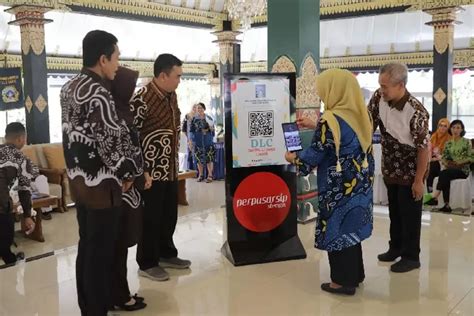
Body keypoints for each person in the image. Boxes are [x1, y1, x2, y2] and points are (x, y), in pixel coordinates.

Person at [61, 30, 142, 315]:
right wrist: (129, 174)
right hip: (103, 187)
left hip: (79, 182)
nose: (118, 64)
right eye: (116, 57)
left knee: (87, 248)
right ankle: (96, 309)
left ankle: (90, 304)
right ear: (103, 58)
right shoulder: (99, 93)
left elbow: (69, 136)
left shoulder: (68, 88)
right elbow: (109, 144)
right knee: (101, 253)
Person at [285, 69, 374, 296]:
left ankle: (342, 282)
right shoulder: (361, 115)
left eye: (324, 91)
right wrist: (317, 126)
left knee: (337, 230)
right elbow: (345, 139)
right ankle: (356, 275)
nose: (322, 96)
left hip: (338, 187)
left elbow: (311, 158)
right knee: (352, 228)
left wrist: (293, 158)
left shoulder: (330, 119)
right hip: (359, 184)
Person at [131, 53, 191, 282]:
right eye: (177, 76)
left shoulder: (171, 95)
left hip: (171, 169)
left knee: (169, 215)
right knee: (150, 218)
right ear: (163, 75)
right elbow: (131, 136)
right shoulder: (142, 98)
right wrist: (141, 169)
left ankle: (167, 253)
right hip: (151, 173)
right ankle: (147, 263)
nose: (179, 80)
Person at [368, 63, 430, 273]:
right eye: (380, 85)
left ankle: (411, 257)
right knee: (394, 211)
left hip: (412, 170)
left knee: (410, 215)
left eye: (385, 86)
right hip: (390, 167)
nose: (381, 90)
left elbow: (424, 150)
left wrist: (419, 180)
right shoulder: (379, 98)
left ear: (401, 85)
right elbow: (369, 124)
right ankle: (395, 248)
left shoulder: (417, 111)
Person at [108, 66, 147, 311]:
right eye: (130, 88)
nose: (133, 93)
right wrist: (135, 174)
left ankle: (120, 291)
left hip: (126, 189)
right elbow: (124, 152)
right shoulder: (115, 115)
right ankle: (119, 296)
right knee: (116, 245)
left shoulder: (121, 111)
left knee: (120, 246)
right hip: (119, 189)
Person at [0, 122, 37, 265]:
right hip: (2, 203)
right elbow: (24, 189)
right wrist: (27, 215)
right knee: (6, 236)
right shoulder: (21, 158)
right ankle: (10, 260)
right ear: (21, 139)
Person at [426, 120, 473, 213]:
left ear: (462, 130)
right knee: (445, 175)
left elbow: (471, 157)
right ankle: (446, 205)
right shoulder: (448, 143)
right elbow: (444, 157)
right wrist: (447, 163)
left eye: (458, 128)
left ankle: (435, 196)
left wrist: (459, 162)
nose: (455, 130)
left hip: (463, 170)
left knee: (444, 174)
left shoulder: (466, 142)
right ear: (450, 129)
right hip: (451, 169)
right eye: (453, 127)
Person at [190, 102, 215, 182]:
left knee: (209, 159)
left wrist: (210, 129)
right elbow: (191, 131)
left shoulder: (209, 118)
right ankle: (201, 175)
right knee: (198, 159)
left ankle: (210, 175)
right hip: (198, 141)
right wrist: (190, 141)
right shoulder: (194, 119)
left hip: (208, 140)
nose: (199, 109)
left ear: (204, 108)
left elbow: (213, 130)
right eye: (198, 108)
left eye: (201, 107)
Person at [426, 118, 451, 193]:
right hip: (432, 160)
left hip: (442, 162)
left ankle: (432, 195)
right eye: (440, 125)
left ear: (448, 128)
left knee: (432, 166)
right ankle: (429, 193)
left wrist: (436, 159)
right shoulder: (433, 136)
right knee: (429, 167)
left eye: (445, 126)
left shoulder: (449, 138)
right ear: (438, 126)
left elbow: (448, 155)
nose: (442, 128)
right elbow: (428, 150)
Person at [182, 104, 198, 170]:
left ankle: (198, 171)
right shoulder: (187, 115)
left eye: (196, 107)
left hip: (198, 137)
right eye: (193, 107)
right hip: (190, 137)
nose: (195, 108)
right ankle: (192, 169)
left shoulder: (198, 116)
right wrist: (188, 138)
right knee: (191, 153)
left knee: (197, 153)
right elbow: (184, 128)